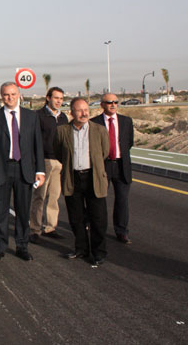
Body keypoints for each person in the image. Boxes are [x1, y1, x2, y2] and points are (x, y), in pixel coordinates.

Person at [0, 82, 45, 262]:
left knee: (23, 211)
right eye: (6, 95)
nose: (10, 98)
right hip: (2, 170)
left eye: (13, 94)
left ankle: (22, 246)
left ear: (19, 94)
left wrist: (40, 170)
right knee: (0, 211)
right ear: (1, 96)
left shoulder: (31, 117)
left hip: (24, 170)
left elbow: (37, 146)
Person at [54, 97, 110, 266]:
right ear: (71, 113)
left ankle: (98, 252)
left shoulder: (99, 130)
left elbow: (105, 152)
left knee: (98, 218)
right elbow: (59, 153)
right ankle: (81, 249)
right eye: (79, 110)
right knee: (76, 217)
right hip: (73, 178)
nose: (84, 113)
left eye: (86, 109)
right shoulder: (62, 131)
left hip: (94, 178)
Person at [91, 93, 134, 244]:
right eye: (109, 102)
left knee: (122, 200)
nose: (113, 105)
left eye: (116, 102)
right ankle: (96, 227)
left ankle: (121, 231)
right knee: (98, 198)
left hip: (122, 165)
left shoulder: (126, 121)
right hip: (103, 165)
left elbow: (129, 142)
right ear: (102, 104)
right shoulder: (93, 123)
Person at [29, 87, 69, 243]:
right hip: (43, 162)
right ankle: (35, 229)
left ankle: (50, 227)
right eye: (56, 98)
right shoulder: (38, 116)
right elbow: (33, 141)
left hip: (60, 162)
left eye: (61, 98)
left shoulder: (64, 117)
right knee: (40, 196)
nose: (59, 101)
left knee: (54, 197)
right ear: (48, 98)